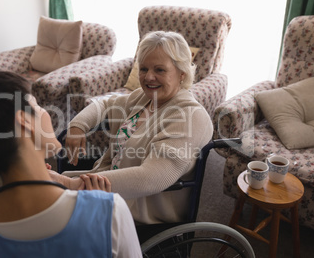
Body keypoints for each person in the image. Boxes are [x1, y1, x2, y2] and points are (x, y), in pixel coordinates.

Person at [0, 71, 141, 258]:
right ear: (24, 121)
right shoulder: (110, 210)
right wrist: (99, 209)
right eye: (37, 106)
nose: (46, 113)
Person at [53, 31, 213, 225]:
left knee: (53, 215)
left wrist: (75, 184)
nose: (149, 77)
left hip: (138, 209)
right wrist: (78, 126)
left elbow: (150, 178)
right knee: (45, 196)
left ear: (182, 74)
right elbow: (103, 105)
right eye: (144, 69)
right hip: (107, 189)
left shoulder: (191, 117)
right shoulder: (143, 98)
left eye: (160, 70)